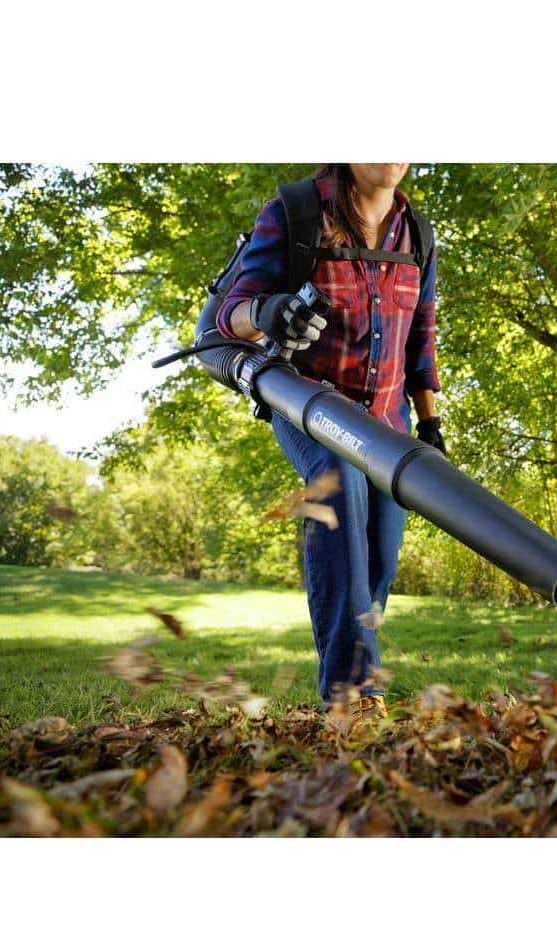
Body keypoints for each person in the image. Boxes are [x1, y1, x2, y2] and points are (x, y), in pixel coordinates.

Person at [217, 163, 445, 721]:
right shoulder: (295, 214)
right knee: (341, 484)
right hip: (309, 406)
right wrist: (269, 311)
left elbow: (421, 335)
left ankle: (358, 682)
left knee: (378, 559)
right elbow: (230, 315)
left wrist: (429, 423)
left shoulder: (418, 232)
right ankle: (352, 700)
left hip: (388, 423)